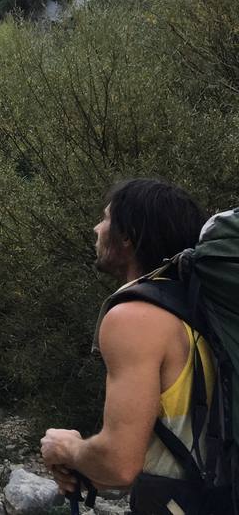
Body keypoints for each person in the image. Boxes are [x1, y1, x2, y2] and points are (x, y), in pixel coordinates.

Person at [41, 179, 216, 514]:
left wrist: (65, 449)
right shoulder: (197, 313)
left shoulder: (134, 318)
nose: (96, 228)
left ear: (127, 236)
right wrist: (88, 465)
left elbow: (120, 465)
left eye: (105, 219)